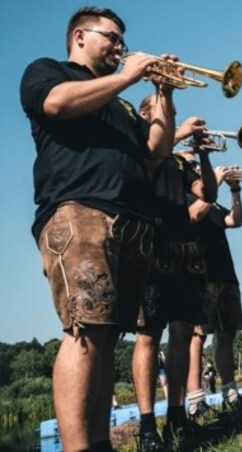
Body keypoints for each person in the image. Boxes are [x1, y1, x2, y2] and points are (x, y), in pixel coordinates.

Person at [20, 7, 176, 450]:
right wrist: (127, 76)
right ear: (80, 36)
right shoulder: (48, 71)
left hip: (130, 221)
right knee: (85, 328)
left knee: (107, 336)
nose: (120, 46)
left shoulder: (120, 103)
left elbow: (156, 150)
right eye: (112, 37)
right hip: (78, 211)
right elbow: (55, 103)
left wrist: (163, 94)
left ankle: (100, 444)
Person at [133, 96, 218, 450]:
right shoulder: (140, 142)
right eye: (166, 112)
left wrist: (203, 155)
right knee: (149, 334)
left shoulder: (180, 161)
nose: (173, 118)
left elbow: (208, 194)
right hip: (151, 243)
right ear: (145, 115)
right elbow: (145, 163)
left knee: (182, 331)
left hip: (185, 249)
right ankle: (148, 426)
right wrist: (178, 134)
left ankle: (178, 416)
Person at [185, 157, 242, 419]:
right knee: (197, 336)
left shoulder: (213, 202)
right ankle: (195, 400)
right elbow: (194, 216)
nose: (200, 169)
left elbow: (235, 220)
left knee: (227, 334)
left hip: (225, 273)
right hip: (201, 274)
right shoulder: (186, 198)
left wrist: (234, 190)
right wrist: (216, 185)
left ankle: (230, 393)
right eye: (195, 167)